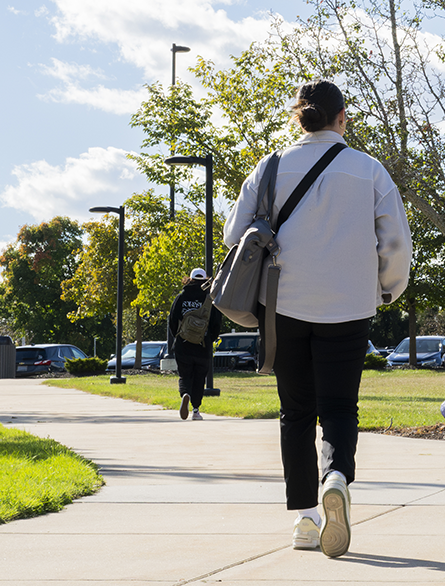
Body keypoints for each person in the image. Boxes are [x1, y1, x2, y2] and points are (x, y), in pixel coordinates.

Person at [225, 80, 410, 559]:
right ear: (341, 117)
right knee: (340, 407)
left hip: (284, 304)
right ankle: (337, 477)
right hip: (349, 306)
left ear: (298, 117)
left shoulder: (269, 168)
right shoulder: (369, 170)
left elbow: (233, 234)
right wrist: (386, 287)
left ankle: (306, 519)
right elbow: (394, 243)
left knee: (296, 411)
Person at [166, 267, 223, 419]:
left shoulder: (181, 297)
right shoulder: (209, 298)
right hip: (202, 346)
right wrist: (209, 339)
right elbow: (217, 323)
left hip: (183, 345)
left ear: (189, 279)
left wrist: (178, 337)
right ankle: (196, 410)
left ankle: (185, 394)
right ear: (205, 279)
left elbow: (172, 320)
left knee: (185, 376)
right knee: (199, 378)